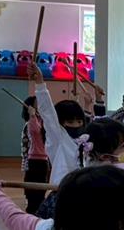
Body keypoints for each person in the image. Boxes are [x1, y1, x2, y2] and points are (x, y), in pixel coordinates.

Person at [30, 64, 89, 218]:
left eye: (79, 121)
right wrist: (40, 83)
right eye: (70, 122)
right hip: (62, 195)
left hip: (84, 195)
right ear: (61, 123)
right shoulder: (59, 139)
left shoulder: (85, 141)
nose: (75, 125)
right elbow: (48, 113)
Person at [20, 95, 49, 215]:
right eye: (37, 102)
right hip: (34, 160)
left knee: (41, 189)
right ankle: (31, 213)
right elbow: (35, 132)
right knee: (32, 190)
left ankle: (38, 212)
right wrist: (32, 115)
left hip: (44, 160)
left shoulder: (42, 120)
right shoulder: (30, 123)